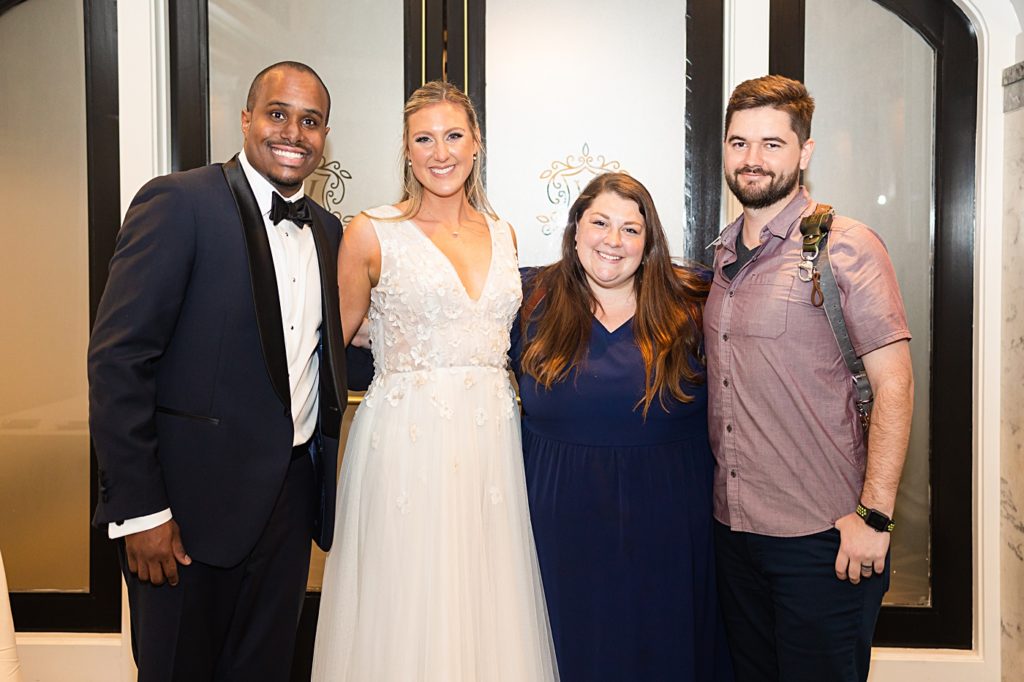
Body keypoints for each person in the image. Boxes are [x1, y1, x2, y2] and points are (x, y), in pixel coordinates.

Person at [88, 62, 346, 681]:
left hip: (288, 504)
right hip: (184, 512)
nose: (293, 132)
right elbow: (119, 360)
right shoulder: (179, 201)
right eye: (277, 114)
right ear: (247, 119)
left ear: (324, 135)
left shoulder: (331, 232)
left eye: (310, 121)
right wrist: (142, 511)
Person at [311, 81, 558, 681]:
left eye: (453, 136)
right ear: (405, 148)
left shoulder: (505, 234)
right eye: (424, 138)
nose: (439, 152)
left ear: (476, 145)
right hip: (405, 443)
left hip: (491, 446)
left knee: (485, 594)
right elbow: (329, 348)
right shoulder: (371, 231)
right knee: (410, 593)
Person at [705, 75, 914, 682]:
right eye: (739, 143)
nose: (752, 159)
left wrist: (875, 517)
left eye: (772, 143)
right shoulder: (719, 258)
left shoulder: (845, 247)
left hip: (825, 540)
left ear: (805, 151)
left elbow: (895, 386)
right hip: (734, 534)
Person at [512, 172, 734, 681]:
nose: (613, 241)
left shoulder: (694, 301)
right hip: (558, 529)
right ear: (574, 231)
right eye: (600, 223)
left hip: (671, 531)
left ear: (649, 242)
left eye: (631, 230)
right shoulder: (528, 298)